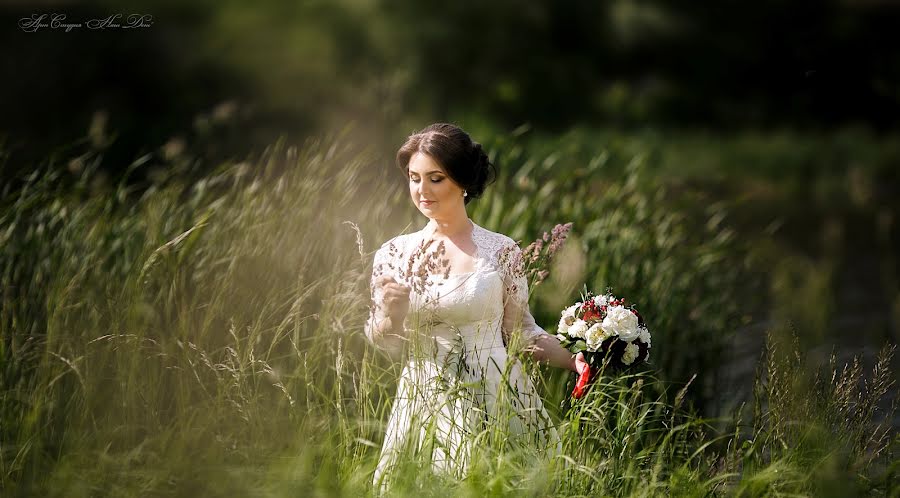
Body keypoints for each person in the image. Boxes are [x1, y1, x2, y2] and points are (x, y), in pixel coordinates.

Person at [365, 123, 588, 490]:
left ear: (463, 181)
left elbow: (521, 333)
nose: (422, 190)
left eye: (435, 178)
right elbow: (379, 336)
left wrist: (573, 358)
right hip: (426, 394)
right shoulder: (394, 254)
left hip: (498, 395)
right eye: (414, 178)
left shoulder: (501, 250)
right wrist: (391, 316)